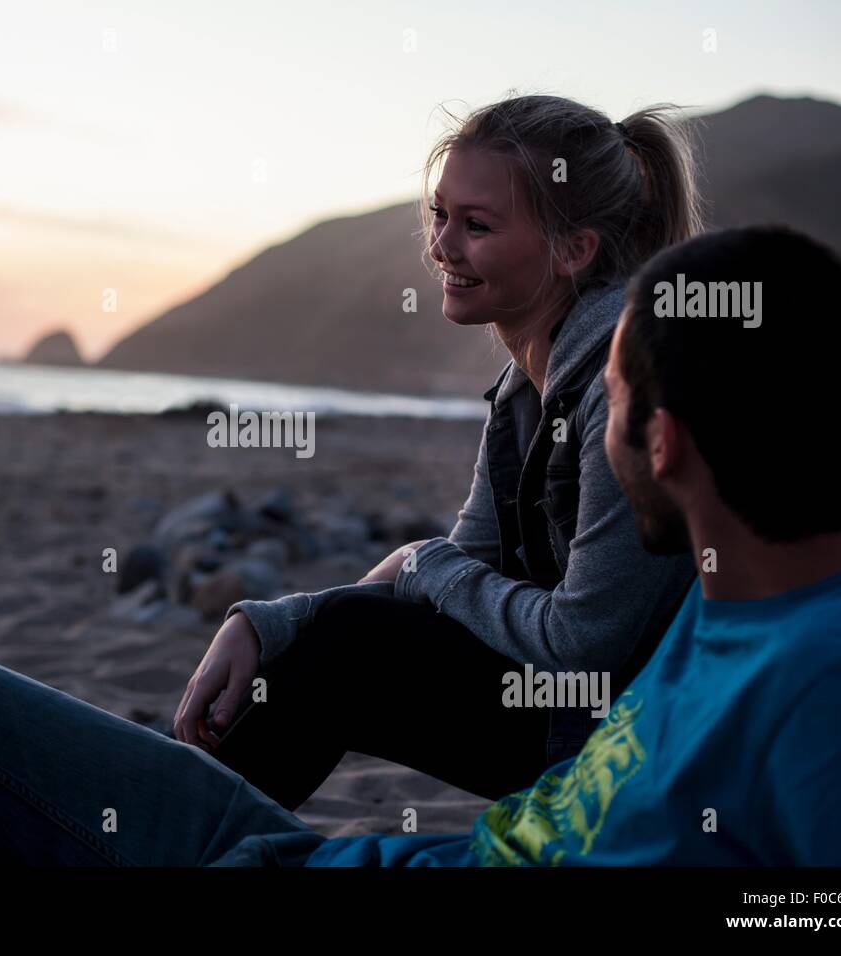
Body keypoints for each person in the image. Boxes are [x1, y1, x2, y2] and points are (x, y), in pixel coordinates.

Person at [0, 225, 841, 867]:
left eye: (616, 409)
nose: (601, 439)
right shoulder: (751, 597)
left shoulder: (831, 686)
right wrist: (283, 617)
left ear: (667, 439)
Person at [176, 95, 702, 807]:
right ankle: (187, 827)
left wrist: (422, 567)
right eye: (439, 215)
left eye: (476, 225)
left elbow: (586, 641)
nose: (442, 247)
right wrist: (275, 623)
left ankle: (182, 835)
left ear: (575, 250)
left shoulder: (623, 385)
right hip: (567, 711)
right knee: (340, 641)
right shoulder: (523, 391)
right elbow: (459, 567)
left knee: (353, 648)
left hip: (633, 745)